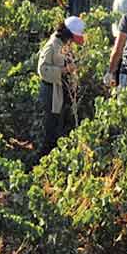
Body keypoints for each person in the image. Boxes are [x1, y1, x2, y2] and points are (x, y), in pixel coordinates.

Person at [37, 16, 85, 154]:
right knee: (50, 130)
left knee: (59, 126)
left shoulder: (63, 43)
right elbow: (42, 70)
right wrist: (64, 70)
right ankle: (43, 160)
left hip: (59, 91)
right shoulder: (52, 45)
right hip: (51, 92)